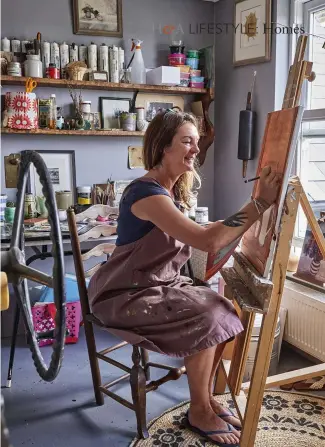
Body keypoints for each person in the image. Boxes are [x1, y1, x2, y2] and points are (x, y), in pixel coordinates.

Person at [88, 110, 280, 446]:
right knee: (208, 316)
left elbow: (198, 239)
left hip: (155, 284)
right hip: (124, 294)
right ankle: (199, 410)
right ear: (164, 147)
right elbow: (206, 241)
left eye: (196, 141)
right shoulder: (146, 194)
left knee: (220, 307)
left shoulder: (170, 192)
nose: (195, 148)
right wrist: (260, 202)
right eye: (187, 141)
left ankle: (204, 401)